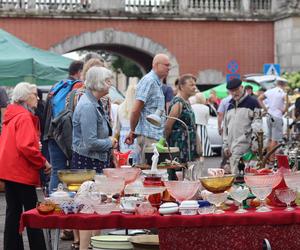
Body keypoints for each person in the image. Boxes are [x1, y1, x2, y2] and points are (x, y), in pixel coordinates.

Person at [0, 82, 51, 250]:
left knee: (13, 212)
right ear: (25, 98)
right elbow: (25, 146)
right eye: (34, 95)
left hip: (9, 170)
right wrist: (42, 161)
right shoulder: (23, 117)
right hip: (20, 171)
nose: (37, 98)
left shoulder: (12, 115)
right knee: (31, 213)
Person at [72, 66, 118, 250]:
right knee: (87, 210)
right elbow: (90, 142)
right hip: (87, 161)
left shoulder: (95, 102)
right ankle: (86, 247)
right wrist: (110, 142)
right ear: (98, 82)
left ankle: (94, 246)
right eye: (108, 80)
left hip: (93, 160)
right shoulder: (88, 106)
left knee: (95, 206)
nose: (110, 84)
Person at [43, 60, 84, 193]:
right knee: (76, 171)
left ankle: (53, 204)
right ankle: (75, 205)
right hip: (69, 135)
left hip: (53, 133)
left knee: (56, 171)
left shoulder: (57, 86)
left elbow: (46, 112)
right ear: (79, 72)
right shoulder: (78, 86)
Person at [125, 53, 170, 163]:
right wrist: (132, 130)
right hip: (148, 137)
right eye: (166, 65)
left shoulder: (155, 82)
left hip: (153, 136)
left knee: (154, 173)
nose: (169, 68)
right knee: (149, 172)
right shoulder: (149, 81)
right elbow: (136, 109)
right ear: (156, 65)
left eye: (169, 66)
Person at [165, 74, 200, 179]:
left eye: (195, 84)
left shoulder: (187, 102)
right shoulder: (178, 103)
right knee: (177, 176)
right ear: (181, 86)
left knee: (187, 177)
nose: (194, 87)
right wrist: (168, 147)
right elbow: (168, 126)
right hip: (179, 147)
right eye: (191, 85)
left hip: (188, 147)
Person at [223, 78, 260, 175]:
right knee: (236, 180)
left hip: (247, 149)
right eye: (232, 91)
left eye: (237, 90)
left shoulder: (253, 102)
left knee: (247, 178)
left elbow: (258, 125)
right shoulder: (229, 105)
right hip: (232, 150)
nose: (234, 93)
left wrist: (255, 145)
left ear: (242, 87)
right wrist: (225, 146)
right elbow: (226, 127)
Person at [258, 78, 288, 163]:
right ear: (283, 84)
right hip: (277, 116)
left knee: (270, 138)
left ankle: (267, 157)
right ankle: (271, 158)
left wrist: (265, 109)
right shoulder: (282, 93)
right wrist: (284, 110)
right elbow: (286, 103)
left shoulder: (270, 91)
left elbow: (259, 98)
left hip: (269, 116)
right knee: (275, 139)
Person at [114, 82, 139, 164]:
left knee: (125, 161)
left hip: (124, 137)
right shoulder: (138, 109)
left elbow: (117, 127)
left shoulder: (120, 107)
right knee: (136, 162)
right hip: (135, 136)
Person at [192, 92, 213, 157]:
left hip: (193, 127)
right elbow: (207, 119)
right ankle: (202, 155)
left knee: (194, 143)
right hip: (202, 127)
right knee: (203, 143)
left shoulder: (192, 106)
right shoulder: (206, 108)